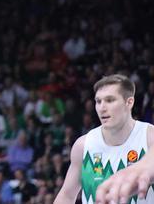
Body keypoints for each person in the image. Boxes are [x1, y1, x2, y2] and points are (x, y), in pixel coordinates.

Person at [53, 75, 154, 204]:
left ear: (129, 102)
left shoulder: (150, 137)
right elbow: (66, 196)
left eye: (110, 100)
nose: (102, 107)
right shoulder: (83, 145)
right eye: (98, 101)